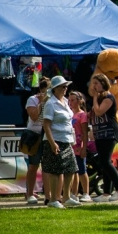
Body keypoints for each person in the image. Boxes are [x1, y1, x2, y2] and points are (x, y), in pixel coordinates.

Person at [41, 76, 78, 208]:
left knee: (71, 168)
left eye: (66, 86)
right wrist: (52, 143)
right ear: (55, 89)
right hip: (55, 140)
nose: (65, 88)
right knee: (55, 170)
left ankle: (66, 197)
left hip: (66, 139)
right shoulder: (50, 103)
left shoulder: (65, 101)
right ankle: (53, 199)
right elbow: (46, 125)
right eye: (63, 86)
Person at [89, 73, 118, 202]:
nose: (94, 86)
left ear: (103, 84)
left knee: (105, 161)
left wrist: (94, 98)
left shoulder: (109, 97)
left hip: (108, 133)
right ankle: (106, 193)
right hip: (100, 133)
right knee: (104, 163)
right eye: (93, 83)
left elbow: (99, 111)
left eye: (96, 83)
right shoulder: (99, 98)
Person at [23, 77, 49, 205]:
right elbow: (33, 117)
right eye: (46, 91)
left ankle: (48, 195)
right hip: (35, 135)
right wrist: (40, 103)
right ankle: (30, 194)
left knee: (48, 167)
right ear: (41, 90)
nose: (48, 94)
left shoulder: (55, 101)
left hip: (48, 135)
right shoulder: (32, 99)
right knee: (33, 166)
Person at [68, 91, 91, 204]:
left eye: (73, 100)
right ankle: (74, 193)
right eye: (69, 100)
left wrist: (83, 147)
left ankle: (86, 192)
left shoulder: (82, 115)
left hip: (79, 146)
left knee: (82, 170)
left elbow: (84, 133)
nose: (70, 102)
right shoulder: (69, 114)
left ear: (79, 101)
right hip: (70, 146)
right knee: (73, 171)